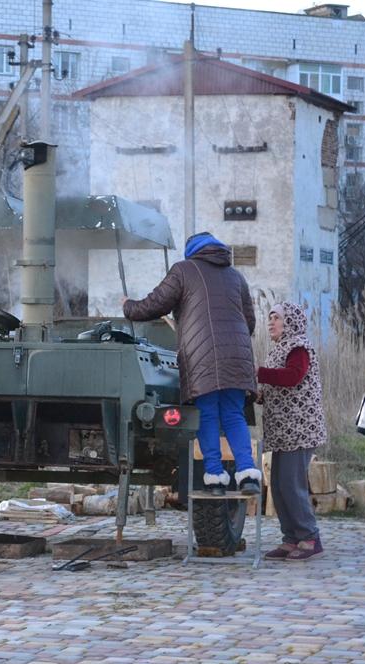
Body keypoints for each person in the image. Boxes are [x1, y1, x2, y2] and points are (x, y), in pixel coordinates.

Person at [122, 231, 261, 495]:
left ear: (192, 252)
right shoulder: (236, 276)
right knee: (233, 413)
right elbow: (250, 322)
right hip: (237, 356)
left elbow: (155, 305)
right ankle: (247, 474)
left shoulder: (184, 270)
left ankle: (216, 477)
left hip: (202, 355)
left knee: (206, 413)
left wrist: (128, 306)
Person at [258, 302, 327, 562]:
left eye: (276, 318)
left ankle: (310, 537)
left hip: (300, 430)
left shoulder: (299, 347)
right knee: (278, 486)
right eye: (270, 318)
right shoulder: (279, 349)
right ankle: (291, 538)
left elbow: (292, 377)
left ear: (291, 322)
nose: (271, 322)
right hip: (284, 432)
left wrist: (259, 373)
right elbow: (277, 385)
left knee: (291, 484)